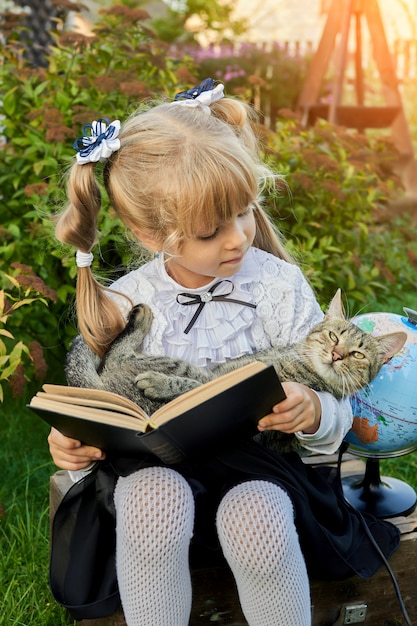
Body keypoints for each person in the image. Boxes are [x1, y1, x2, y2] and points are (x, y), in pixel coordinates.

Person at [48, 79, 399, 626]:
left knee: (257, 518)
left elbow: (337, 406)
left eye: (245, 213)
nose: (237, 239)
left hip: (262, 470)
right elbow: (95, 406)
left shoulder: (277, 287)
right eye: (212, 231)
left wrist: (311, 410)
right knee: (151, 502)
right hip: (155, 471)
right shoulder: (129, 302)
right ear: (149, 232)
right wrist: (71, 438)